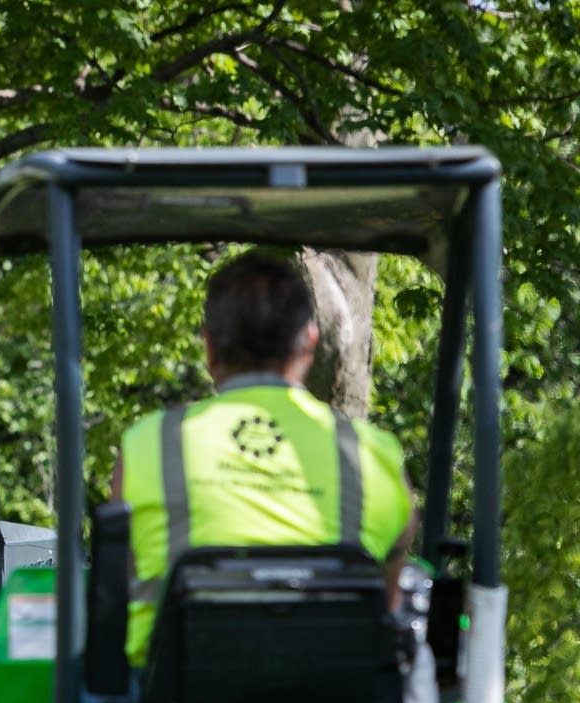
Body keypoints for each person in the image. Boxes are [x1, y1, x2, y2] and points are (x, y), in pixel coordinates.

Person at [112, 251, 414, 669]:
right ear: (310, 340)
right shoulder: (374, 454)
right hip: (336, 696)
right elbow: (388, 598)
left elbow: (118, 588)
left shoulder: (149, 444)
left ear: (210, 346)